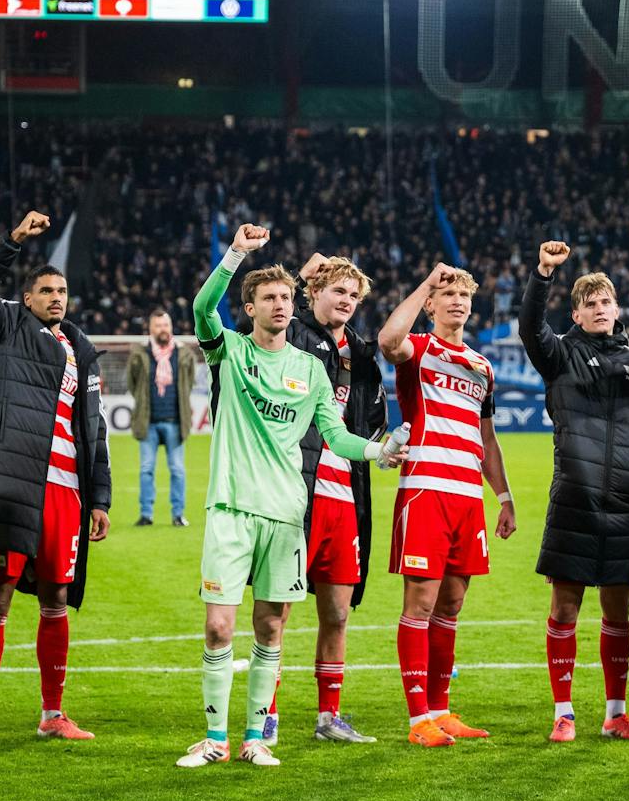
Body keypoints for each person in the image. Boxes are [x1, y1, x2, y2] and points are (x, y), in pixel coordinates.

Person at [175, 224, 405, 769]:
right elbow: (202, 305)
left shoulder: (310, 369)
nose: (279, 305)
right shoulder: (227, 351)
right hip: (231, 509)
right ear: (251, 307)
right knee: (218, 626)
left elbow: (337, 435)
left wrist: (378, 452)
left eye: (283, 297)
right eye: (269, 298)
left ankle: (255, 737)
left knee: (271, 625)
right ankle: (214, 738)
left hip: (286, 514)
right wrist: (236, 254)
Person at [0, 210, 112, 745]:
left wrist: (101, 498)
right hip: (17, 488)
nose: (56, 297)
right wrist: (11, 241)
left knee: (55, 599)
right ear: (27, 298)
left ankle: (53, 715)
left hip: (68, 494)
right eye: (46, 290)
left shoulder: (83, 351)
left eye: (62, 290)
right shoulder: (7, 326)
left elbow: (94, 430)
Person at [520, 241, 629, 743]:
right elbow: (530, 327)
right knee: (565, 608)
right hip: (573, 499)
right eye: (590, 304)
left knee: (618, 610)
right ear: (577, 313)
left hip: (624, 504)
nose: (600, 309)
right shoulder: (560, 355)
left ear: (617, 309)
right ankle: (563, 712)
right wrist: (544, 273)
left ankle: (616, 713)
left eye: (606, 302)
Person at [379, 260, 517, 748]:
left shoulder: (482, 366)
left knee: (452, 604)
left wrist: (503, 496)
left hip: (467, 499)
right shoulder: (419, 348)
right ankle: (419, 719)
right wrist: (425, 284)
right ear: (433, 305)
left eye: (464, 296)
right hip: (425, 490)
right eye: (448, 295)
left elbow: (488, 437)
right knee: (420, 603)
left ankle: (440, 709)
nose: (457, 302)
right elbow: (386, 341)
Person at [287, 252, 388, 744]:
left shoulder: (361, 353)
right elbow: (272, 308)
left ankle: (329, 717)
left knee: (338, 613)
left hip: (345, 492)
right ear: (315, 294)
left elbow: (374, 411)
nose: (346, 300)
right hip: (297, 489)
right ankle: (264, 713)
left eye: (353, 294)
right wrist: (299, 272)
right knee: (278, 608)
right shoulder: (295, 333)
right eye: (337, 291)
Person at [126, 309, 194, 527]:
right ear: (150, 329)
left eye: (165, 325)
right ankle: (146, 514)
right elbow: (132, 383)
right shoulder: (139, 353)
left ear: (171, 327)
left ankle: (178, 515)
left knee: (177, 470)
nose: (162, 329)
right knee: (146, 469)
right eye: (158, 326)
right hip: (148, 422)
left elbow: (189, 383)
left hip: (175, 420)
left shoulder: (183, 354)